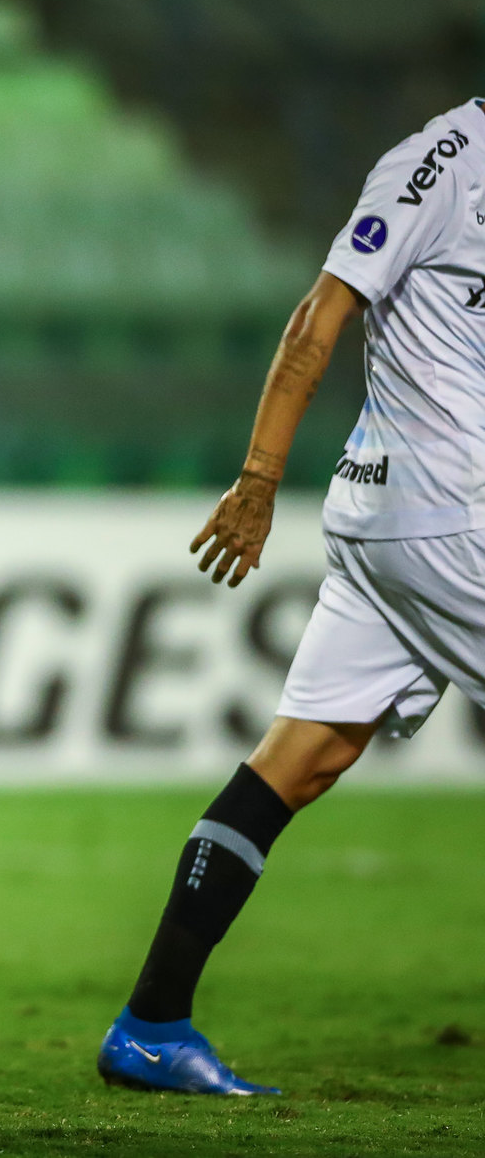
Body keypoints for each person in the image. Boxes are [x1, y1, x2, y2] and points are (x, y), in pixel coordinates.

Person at [97, 98, 485, 1095]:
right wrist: (259, 477)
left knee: (297, 761)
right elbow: (320, 312)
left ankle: (150, 1024)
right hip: (447, 514)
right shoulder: (443, 159)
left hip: (387, 525)